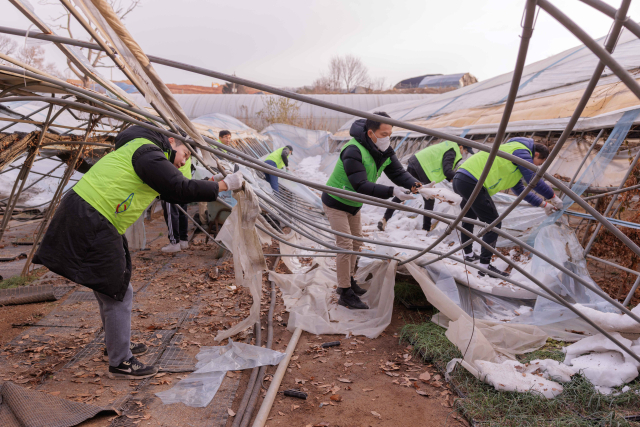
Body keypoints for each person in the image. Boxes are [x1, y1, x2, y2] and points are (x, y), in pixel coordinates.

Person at [33, 125, 244, 379]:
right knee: (118, 291)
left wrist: (211, 183)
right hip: (94, 216)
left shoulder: (144, 153)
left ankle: (115, 344)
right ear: (171, 142)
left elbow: (176, 189)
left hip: (90, 213)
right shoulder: (150, 153)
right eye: (185, 155)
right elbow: (179, 188)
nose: (184, 161)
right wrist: (223, 185)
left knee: (108, 287)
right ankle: (120, 361)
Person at [323, 112, 420, 310]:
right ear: (370, 132)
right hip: (336, 202)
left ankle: (348, 281)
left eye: (390, 133)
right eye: (384, 133)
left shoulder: (383, 149)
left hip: (353, 204)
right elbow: (361, 185)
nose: (388, 138)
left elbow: (398, 172)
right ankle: (344, 291)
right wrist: (391, 191)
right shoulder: (353, 150)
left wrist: (416, 185)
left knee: (357, 241)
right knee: (345, 244)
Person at [453, 137, 563, 277]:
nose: (537, 167)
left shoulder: (515, 161)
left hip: (462, 178)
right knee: (494, 223)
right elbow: (533, 178)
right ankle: (485, 268)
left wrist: (544, 204)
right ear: (535, 154)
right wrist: (553, 197)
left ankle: (468, 254)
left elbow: (521, 190)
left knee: (469, 217)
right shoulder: (521, 150)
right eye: (538, 163)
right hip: (472, 180)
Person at [377, 140, 474, 232]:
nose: (464, 153)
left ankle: (385, 218)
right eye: (465, 151)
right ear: (461, 147)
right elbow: (447, 170)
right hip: (423, 169)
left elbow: (444, 168)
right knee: (429, 199)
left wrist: (451, 178)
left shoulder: (448, 145)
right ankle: (426, 229)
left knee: (406, 192)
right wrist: (458, 178)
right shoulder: (453, 150)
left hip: (416, 164)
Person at [161, 157, 193, 253]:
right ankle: (183, 240)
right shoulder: (187, 148)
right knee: (182, 212)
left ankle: (174, 242)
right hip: (185, 181)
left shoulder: (174, 148)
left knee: (171, 213)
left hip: (172, 183)